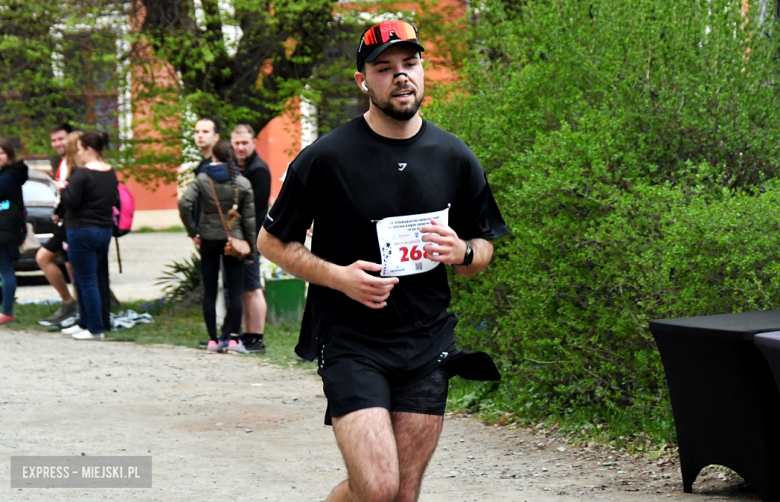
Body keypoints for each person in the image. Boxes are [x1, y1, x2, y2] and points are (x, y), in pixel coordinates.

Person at [257, 20, 509, 502]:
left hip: (426, 340)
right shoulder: (325, 158)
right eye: (384, 68)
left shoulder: (454, 156)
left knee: (404, 493)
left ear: (422, 70)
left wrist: (464, 253)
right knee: (376, 488)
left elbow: (483, 247)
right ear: (362, 80)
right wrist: (339, 278)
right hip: (352, 340)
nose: (400, 76)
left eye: (409, 64)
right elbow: (272, 243)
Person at [179, 141, 257, 354]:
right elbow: (249, 219)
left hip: (208, 238)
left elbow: (185, 203)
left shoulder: (203, 179)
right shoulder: (242, 183)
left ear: (213, 157)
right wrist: (251, 248)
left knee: (210, 290)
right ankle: (233, 340)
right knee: (234, 289)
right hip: (235, 240)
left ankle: (213, 340)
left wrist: (194, 231)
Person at [60, 131, 118, 340]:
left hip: (81, 229)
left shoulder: (82, 174)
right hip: (103, 230)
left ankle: (94, 328)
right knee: (90, 277)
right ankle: (84, 321)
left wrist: (63, 189)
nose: (79, 154)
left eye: (80, 149)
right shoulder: (110, 172)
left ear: (89, 149)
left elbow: (72, 202)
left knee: (85, 280)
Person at [230, 124, 271, 353]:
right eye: (236, 143)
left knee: (253, 287)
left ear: (253, 142)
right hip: (239, 238)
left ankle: (256, 337)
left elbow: (256, 212)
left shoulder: (259, 170)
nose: (241, 148)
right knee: (243, 288)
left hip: (252, 238)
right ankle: (247, 335)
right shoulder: (236, 167)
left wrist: (250, 244)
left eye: (245, 143)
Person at [38, 127, 80, 328]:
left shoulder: (78, 164)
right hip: (63, 220)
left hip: (74, 221)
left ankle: (78, 306)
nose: (57, 144)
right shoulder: (62, 163)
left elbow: (73, 194)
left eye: (60, 139)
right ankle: (68, 302)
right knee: (45, 258)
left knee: (72, 264)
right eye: (53, 140)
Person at [0, 138, 29, 326]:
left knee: (6, 270)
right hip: (5, 227)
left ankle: (7, 311)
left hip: (5, 230)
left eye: (1, 153)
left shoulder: (8, 177)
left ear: (9, 155)